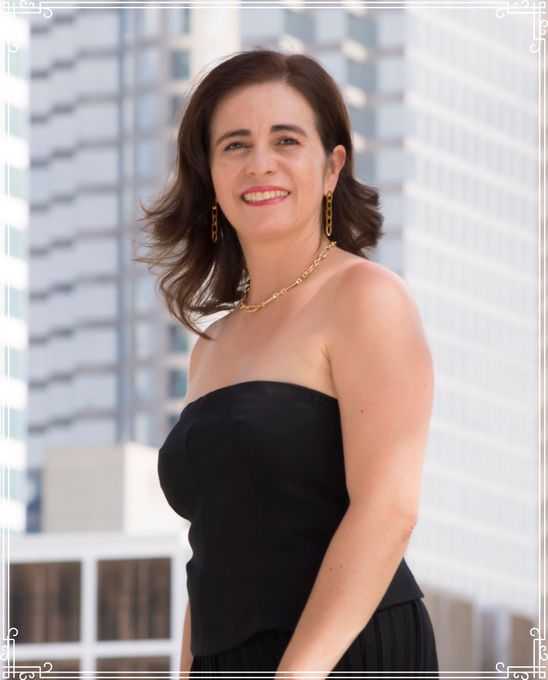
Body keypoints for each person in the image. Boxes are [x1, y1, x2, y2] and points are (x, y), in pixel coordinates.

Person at [136, 48, 439, 677]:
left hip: (343, 653)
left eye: (286, 139)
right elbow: (213, 548)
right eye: (236, 145)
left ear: (331, 168)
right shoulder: (211, 346)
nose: (260, 163)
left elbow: (387, 510)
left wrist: (294, 675)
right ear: (210, 172)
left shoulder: (365, 298)